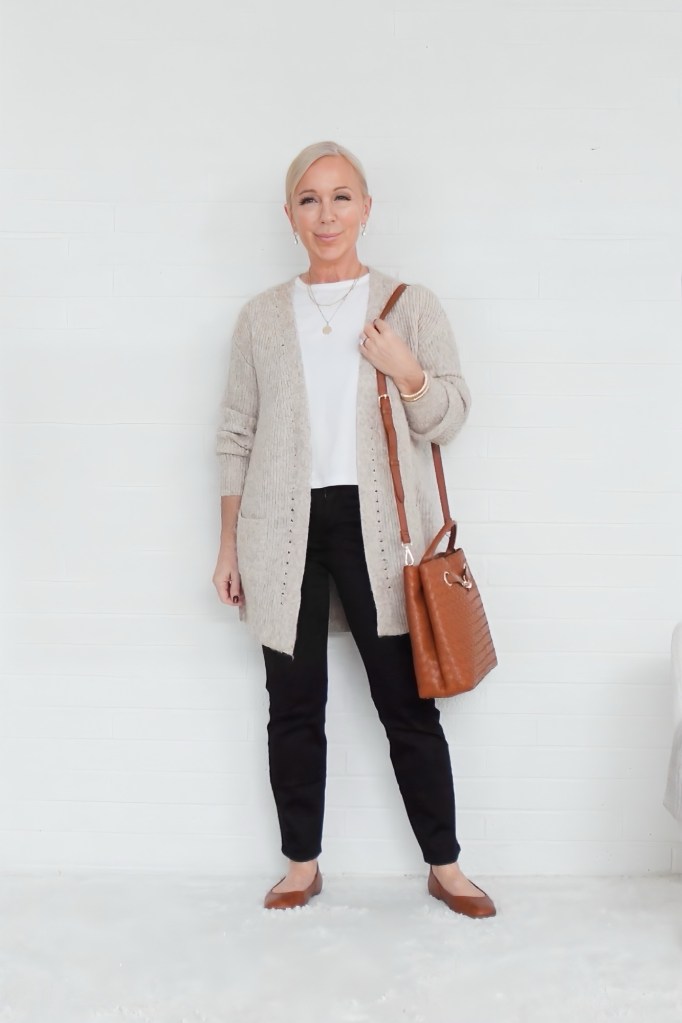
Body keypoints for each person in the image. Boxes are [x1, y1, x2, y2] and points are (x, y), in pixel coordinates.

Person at [212, 141, 496, 919]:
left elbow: (451, 417)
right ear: (289, 215)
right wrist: (230, 543)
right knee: (293, 703)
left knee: (407, 704)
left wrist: (407, 370)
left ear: (367, 208)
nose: (326, 213)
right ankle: (301, 862)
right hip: (282, 528)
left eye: (342, 197)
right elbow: (237, 432)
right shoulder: (263, 316)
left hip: (379, 535)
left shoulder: (410, 304)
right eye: (309, 198)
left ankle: (446, 864)